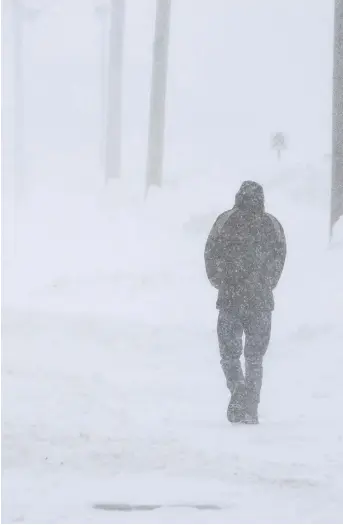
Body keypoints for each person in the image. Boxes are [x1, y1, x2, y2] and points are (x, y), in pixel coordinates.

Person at [204, 181, 286, 424]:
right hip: (260, 302)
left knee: (229, 354)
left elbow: (210, 253)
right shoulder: (271, 224)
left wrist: (221, 281)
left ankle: (238, 388)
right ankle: (251, 406)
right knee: (254, 357)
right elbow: (280, 257)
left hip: (230, 299)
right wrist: (266, 282)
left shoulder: (226, 221)